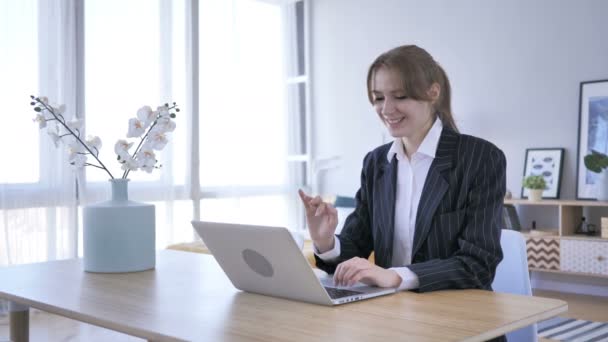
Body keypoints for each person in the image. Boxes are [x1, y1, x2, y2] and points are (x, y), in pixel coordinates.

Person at [298, 45, 506, 293]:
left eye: (400, 96)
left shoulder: (481, 159)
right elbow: (356, 251)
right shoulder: (376, 163)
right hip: (392, 315)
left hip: (457, 316)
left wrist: (396, 277)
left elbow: (478, 264)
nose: (386, 109)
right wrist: (326, 241)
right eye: (378, 98)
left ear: (433, 93)